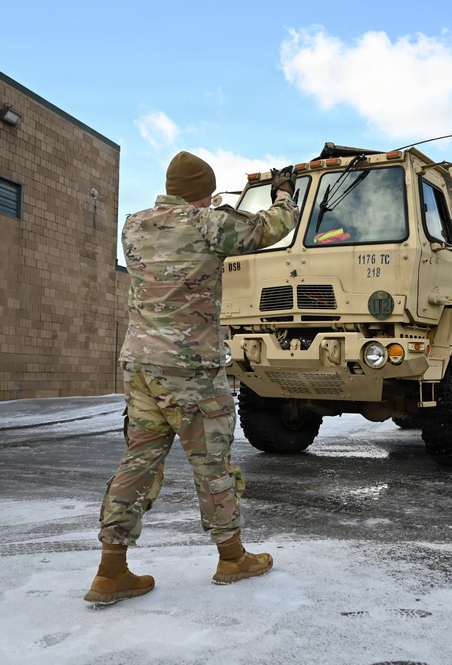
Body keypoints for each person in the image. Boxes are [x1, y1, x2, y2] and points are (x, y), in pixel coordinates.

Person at [84, 152, 300, 604]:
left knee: (139, 460)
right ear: (203, 191)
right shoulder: (206, 222)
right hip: (191, 368)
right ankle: (232, 557)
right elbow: (268, 229)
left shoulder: (134, 225)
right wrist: (284, 195)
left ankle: (110, 571)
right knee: (211, 463)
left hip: (141, 365)